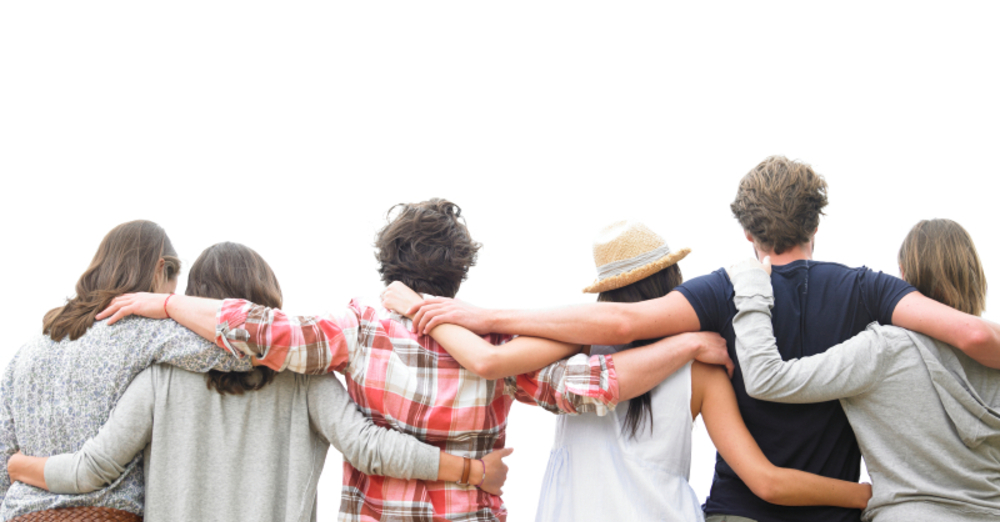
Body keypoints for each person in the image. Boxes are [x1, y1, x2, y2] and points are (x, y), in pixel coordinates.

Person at [402, 157, 1000, 522]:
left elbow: (620, 326)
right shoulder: (869, 291)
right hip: (830, 515)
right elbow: (970, 333)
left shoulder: (722, 293)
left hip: (737, 514)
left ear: (746, 231)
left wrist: (481, 313)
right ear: (818, 222)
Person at [94, 199, 731, 522]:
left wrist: (167, 305)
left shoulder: (358, 328)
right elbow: (601, 383)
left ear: (388, 267)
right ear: (460, 272)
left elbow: (261, 329)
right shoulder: (503, 348)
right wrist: (686, 341)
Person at [381, 220, 873, 521]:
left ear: (605, 297)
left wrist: (413, 301)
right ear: (673, 285)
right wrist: (866, 494)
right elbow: (766, 482)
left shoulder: (569, 356)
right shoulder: (700, 370)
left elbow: (488, 360)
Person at [6, 242, 511, 522]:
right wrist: (471, 472)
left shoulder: (159, 380)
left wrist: (17, 463)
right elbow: (368, 448)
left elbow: (93, 468)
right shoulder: (304, 381)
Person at [728, 219, 1000, 521]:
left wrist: (753, 289)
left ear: (904, 275)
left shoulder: (884, 349)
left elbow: (767, 379)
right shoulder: (995, 358)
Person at [0, 221, 251, 521]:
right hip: (107, 513)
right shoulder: (143, 333)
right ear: (161, 269)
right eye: (171, 287)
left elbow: (4, 459)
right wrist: (171, 306)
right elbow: (243, 349)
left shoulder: (28, 352)